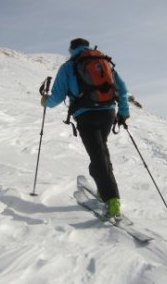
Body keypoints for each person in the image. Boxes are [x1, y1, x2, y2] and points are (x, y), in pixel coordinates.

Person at [41, 38, 130, 218]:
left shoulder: (69, 66)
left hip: (85, 115)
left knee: (98, 155)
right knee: (101, 151)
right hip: (108, 114)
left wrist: (45, 101)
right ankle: (104, 190)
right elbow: (122, 88)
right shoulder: (104, 62)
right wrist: (123, 112)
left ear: (71, 49)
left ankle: (111, 200)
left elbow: (57, 97)